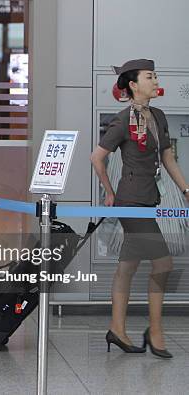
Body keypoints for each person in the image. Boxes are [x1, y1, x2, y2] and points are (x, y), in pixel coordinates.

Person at [91, 59, 189, 359]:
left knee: (127, 267)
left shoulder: (158, 115)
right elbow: (97, 157)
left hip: (149, 200)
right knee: (164, 264)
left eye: (155, 75)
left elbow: (168, 158)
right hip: (131, 202)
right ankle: (155, 331)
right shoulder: (122, 120)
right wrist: (109, 193)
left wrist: (185, 190)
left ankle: (116, 329)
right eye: (150, 76)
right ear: (133, 85)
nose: (155, 79)